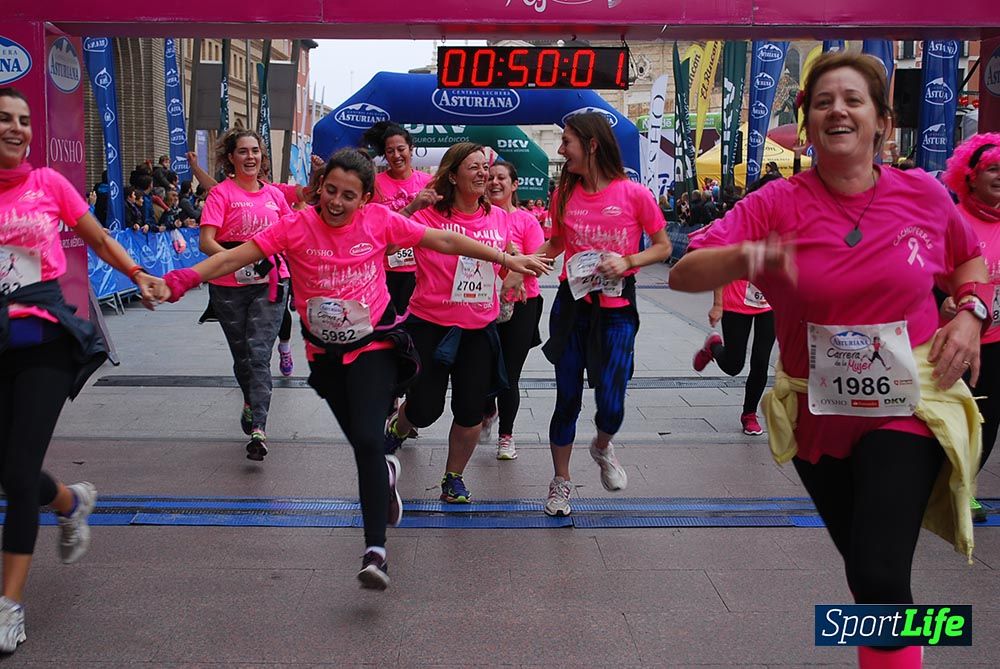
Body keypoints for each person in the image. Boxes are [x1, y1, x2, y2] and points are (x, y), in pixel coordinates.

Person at [669, 52, 986, 669]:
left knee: (877, 573)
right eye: (822, 102)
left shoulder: (922, 193)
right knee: (872, 580)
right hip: (817, 407)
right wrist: (751, 257)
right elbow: (683, 271)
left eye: (853, 99)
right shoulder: (774, 203)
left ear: (881, 123)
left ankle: (909, 630)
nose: (837, 109)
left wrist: (972, 313)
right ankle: (901, 633)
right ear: (808, 124)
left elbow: (968, 260)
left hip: (911, 400)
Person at [158, 148, 547, 589]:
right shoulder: (295, 224)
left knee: (367, 440)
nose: (336, 203)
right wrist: (182, 279)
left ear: (365, 199)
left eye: (348, 195)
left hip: (375, 346)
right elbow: (233, 257)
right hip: (325, 357)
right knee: (365, 442)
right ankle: (384, 473)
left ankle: (375, 551)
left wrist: (506, 260)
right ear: (319, 190)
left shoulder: (380, 222)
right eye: (329, 192)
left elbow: (444, 240)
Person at [0, 87, 164, 652]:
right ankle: (71, 502)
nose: (16, 129)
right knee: (9, 472)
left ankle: (9, 608)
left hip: (40, 336)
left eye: (23, 120)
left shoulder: (48, 184)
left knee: (19, 476)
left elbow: (96, 237)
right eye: (4, 119)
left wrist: (139, 273)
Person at [383, 143, 551, 504]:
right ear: (453, 174)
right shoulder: (429, 217)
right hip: (431, 323)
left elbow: (507, 262)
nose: (482, 174)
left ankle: (453, 477)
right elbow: (390, 243)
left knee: (471, 409)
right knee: (426, 409)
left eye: (485, 168)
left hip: (479, 328)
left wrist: (515, 277)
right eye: (473, 167)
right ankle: (399, 425)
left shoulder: (500, 217)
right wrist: (412, 208)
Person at [532, 112, 671, 517]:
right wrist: (514, 266)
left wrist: (627, 260)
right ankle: (561, 481)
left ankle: (602, 445)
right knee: (567, 398)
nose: (561, 150)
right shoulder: (564, 193)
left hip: (617, 312)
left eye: (567, 142)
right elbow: (556, 243)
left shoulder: (634, 195)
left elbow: (662, 246)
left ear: (591, 145)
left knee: (612, 403)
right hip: (571, 308)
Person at [199, 129, 292, 461]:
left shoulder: (275, 196)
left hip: (270, 282)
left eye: (255, 151)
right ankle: (251, 401)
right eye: (243, 152)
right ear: (231, 158)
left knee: (257, 352)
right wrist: (234, 258)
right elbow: (206, 241)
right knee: (242, 357)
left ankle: (259, 429)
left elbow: (291, 234)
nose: (250, 157)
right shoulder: (221, 194)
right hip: (228, 287)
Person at [942, 132, 1000, 523]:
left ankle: (964, 486)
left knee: (990, 415)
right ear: (971, 176)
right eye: (993, 169)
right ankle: (946, 484)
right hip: (953, 336)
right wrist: (939, 300)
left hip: (995, 338)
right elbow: (925, 272)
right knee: (958, 415)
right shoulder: (951, 219)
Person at [478, 162, 545, 460]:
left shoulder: (527, 221)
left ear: (514, 184)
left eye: (501, 178)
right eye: (489, 178)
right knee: (481, 370)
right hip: (478, 302)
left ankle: (506, 436)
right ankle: (486, 408)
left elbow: (538, 261)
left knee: (510, 375)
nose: (494, 182)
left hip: (521, 305)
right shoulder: (478, 218)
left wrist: (514, 278)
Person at [362, 122, 433, 316]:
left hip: (422, 268)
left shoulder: (428, 182)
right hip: (385, 268)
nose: (396, 156)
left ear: (411, 149)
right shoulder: (375, 184)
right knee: (388, 325)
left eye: (401, 149)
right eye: (390, 151)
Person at [692, 275, 775, 435]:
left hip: (771, 301)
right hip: (736, 298)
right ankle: (713, 346)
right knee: (733, 366)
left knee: (761, 360)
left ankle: (749, 415)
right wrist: (717, 303)